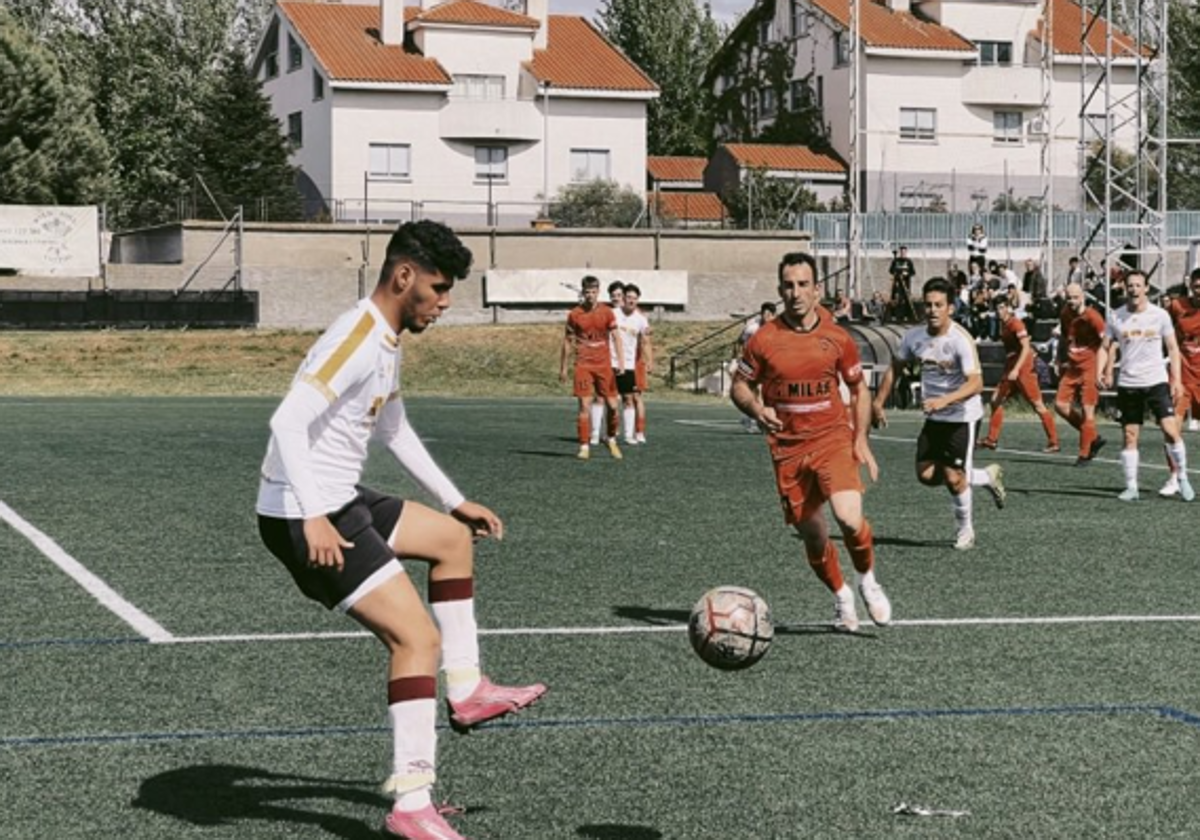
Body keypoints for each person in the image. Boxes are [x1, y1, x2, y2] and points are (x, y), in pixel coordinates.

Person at [255, 220, 546, 840]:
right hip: (300, 513)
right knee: (416, 641)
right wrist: (311, 515)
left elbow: (393, 431)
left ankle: (466, 692)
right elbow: (286, 422)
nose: (444, 303)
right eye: (439, 289)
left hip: (338, 498)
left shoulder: (386, 341)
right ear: (403, 275)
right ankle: (412, 805)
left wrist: (455, 499)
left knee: (450, 539)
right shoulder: (359, 335)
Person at [731, 251, 891, 632]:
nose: (795, 292)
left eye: (803, 284)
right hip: (787, 448)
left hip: (832, 437)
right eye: (788, 285)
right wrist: (756, 409)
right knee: (814, 535)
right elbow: (739, 385)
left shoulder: (837, 337)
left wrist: (861, 440)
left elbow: (858, 389)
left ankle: (867, 580)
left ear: (817, 290)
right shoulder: (763, 340)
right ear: (779, 289)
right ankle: (841, 597)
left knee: (849, 519)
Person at [873, 277, 1006, 550]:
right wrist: (878, 402)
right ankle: (985, 477)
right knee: (925, 475)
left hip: (962, 417)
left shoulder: (960, 340)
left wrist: (944, 400)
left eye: (939, 305)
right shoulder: (914, 337)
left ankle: (965, 531)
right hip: (935, 418)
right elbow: (895, 368)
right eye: (928, 305)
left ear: (951, 308)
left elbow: (976, 383)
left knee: (954, 476)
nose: (932, 310)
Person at [1098, 270, 1194, 501]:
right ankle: (1132, 486)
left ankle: (1182, 477)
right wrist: (1100, 371)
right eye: (1130, 286)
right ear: (1125, 288)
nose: (1134, 290)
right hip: (1129, 384)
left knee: (1171, 431)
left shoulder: (1159, 315)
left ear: (1146, 288)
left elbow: (1172, 348)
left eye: (1138, 285)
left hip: (1156, 382)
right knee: (1130, 435)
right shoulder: (1116, 316)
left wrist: (1177, 380)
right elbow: (1105, 346)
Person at [978, 296, 1060, 453]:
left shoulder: (1016, 323)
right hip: (1011, 367)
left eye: (1002, 307)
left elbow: (1025, 347)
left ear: (1008, 307)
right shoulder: (1004, 325)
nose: (999, 311)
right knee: (996, 400)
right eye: (997, 308)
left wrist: (1017, 369)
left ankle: (1054, 441)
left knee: (1037, 404)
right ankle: (992, 439)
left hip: (1023, 369)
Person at [561, 275, 623, 460]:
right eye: (587, 292)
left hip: (604, 365)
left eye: (594, 292)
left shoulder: (607, 312)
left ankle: (610, 438)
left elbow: (616, 337)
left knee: (613, 405)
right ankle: (584, 445)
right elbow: (567, 341)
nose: (590, 295)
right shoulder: (575, 314)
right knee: (584, 405)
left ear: (598, 292)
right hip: (583, 364)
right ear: (583, 292)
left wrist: (619, 362)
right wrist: (563, 367)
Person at [1053, 282, 1108, 465]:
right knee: (1060, 405)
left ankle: (1085, 453)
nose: (1071, 301)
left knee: (1087, 409)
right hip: (1073, 366)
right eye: (1068, 297)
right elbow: (1063, 337)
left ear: (1083, 297)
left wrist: (1102, 371)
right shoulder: (1065, 314)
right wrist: (1059, 359)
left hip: (1090, 366)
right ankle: (1092, 436)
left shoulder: (1093, 317)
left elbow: (1105, 345)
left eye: (1075, 297)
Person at [1160, 267, 1200, 495]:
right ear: (1191, 286)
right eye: (1196, 286)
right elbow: (1164, 333)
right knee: (1170, 427)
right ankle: (1174, 476)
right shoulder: (1177, 306)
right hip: (1182, 377)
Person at [588, 281, 627, 446]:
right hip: (604, 360)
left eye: (619, 295)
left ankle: (612, 432)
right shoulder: (604, 312)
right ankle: (595, 433)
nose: (616, 298)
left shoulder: (632, 314)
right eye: (613, 295)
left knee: (617, 400)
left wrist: (623, 361)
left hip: (623, 362)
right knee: (599, 397)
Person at [614, 283, 652, 445]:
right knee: (606, 399)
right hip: (611, 362)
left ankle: (638, 432)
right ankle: (610, 432)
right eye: (628, 297)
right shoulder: (612, 314)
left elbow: (646, 341)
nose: (631, 301)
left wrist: (649, 360)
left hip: (632, 364)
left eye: (634, 298)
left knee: (634, 397)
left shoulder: (641, 320)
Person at [735, 302, 777, 433]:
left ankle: (752, 417)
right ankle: (753, 419)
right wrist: (738, 357)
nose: (766, 317)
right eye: (764, 314)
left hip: (768, 361)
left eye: (769, 314)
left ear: (773, 315)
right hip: (751, 362)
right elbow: (740, 341)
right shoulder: (752, 327)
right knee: (755, 389)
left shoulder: (778, 327)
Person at [888, 246, 917, 322]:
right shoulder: (895, 261)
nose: (902, 253)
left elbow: (913, 272)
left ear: (906, 252)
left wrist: (906, 274)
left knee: (905, 299)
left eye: (904, 252)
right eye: (901, 252)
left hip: (905, 284)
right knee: (895, 299)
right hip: (897, 283)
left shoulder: (909, 261)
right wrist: (896, 273)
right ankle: (894, 315)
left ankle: (905, 315)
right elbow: (891, 271)